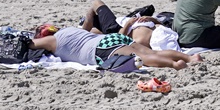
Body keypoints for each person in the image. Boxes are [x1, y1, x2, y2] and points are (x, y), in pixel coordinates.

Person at [30, 23, 199, 69]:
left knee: (145, 58)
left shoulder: (52, 41)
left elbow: (31, 45)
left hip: (101, 48)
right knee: (151, 52)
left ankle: (175, 65)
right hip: (110, 39)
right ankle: (189, 57)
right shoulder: (70, 30)